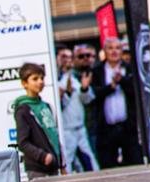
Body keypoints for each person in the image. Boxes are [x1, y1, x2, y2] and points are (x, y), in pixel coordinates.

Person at [90, 37, 145, 168]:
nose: (114, 51)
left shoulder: (131, 68)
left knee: (135, 165)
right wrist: (111, 87)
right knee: (108, 166)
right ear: (104, 51)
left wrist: (122, 81)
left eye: (117, 48)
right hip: (106, 128)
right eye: (110, 48)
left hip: (128, 127)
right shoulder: (97, 71)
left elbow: (138, 92)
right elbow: (93, 95)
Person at [12, 63, 62, 178]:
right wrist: (42, 156)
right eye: (35, 79)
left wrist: (61, 162)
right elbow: (22, 142)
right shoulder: (23, 110)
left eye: (42, 78)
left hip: (53, 166)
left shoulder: (46, 106)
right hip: (37, 168)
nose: (40, 82)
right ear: (24, 83)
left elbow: (54, 135)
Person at [55, 48, 97, 173]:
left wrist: (84, 88)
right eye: (63, 57)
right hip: (65, 131)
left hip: (80, 129)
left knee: (90, 163)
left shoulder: (77, 77)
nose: (67, 60)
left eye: (70, 57)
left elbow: (87, 99)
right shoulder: (54, 80)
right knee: (67, 163)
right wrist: (66, 94)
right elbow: (56, 107)